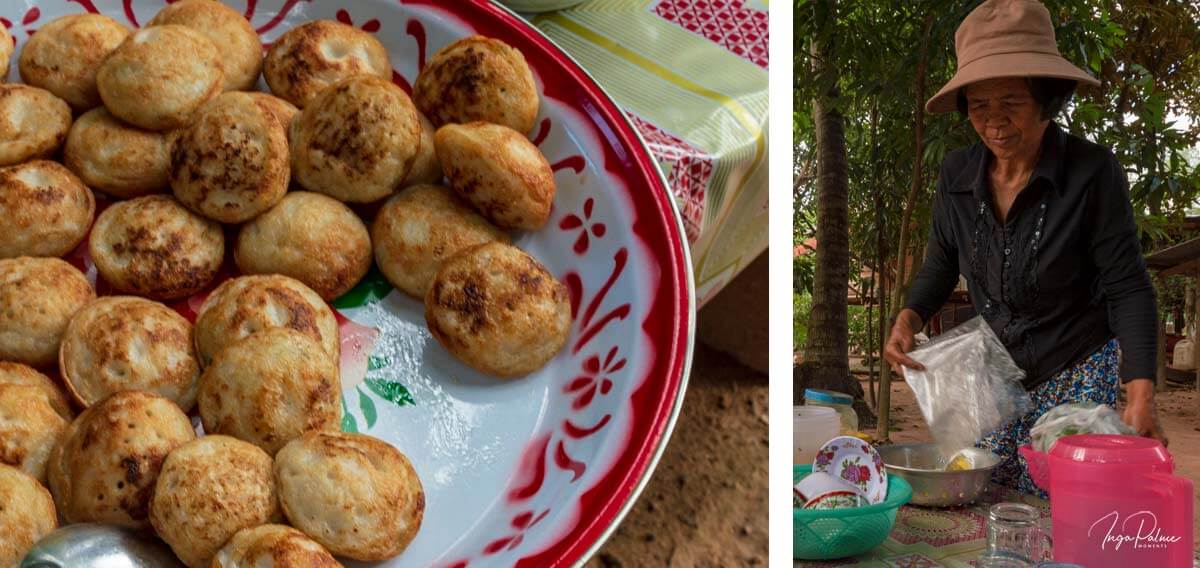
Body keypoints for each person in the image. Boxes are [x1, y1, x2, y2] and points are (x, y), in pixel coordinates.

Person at [882, 0, 1166, 495]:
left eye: (1010, 102)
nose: (993, 121)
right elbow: (942, 262)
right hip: (992, 377)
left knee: (1067, 499)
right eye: (978, 105)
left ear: (1046, 100)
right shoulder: (956, 175)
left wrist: (1141, 391)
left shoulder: (1091, 173)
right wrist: (908, 317)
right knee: (991, 496)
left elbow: (1127, 286)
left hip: (1074, 370)